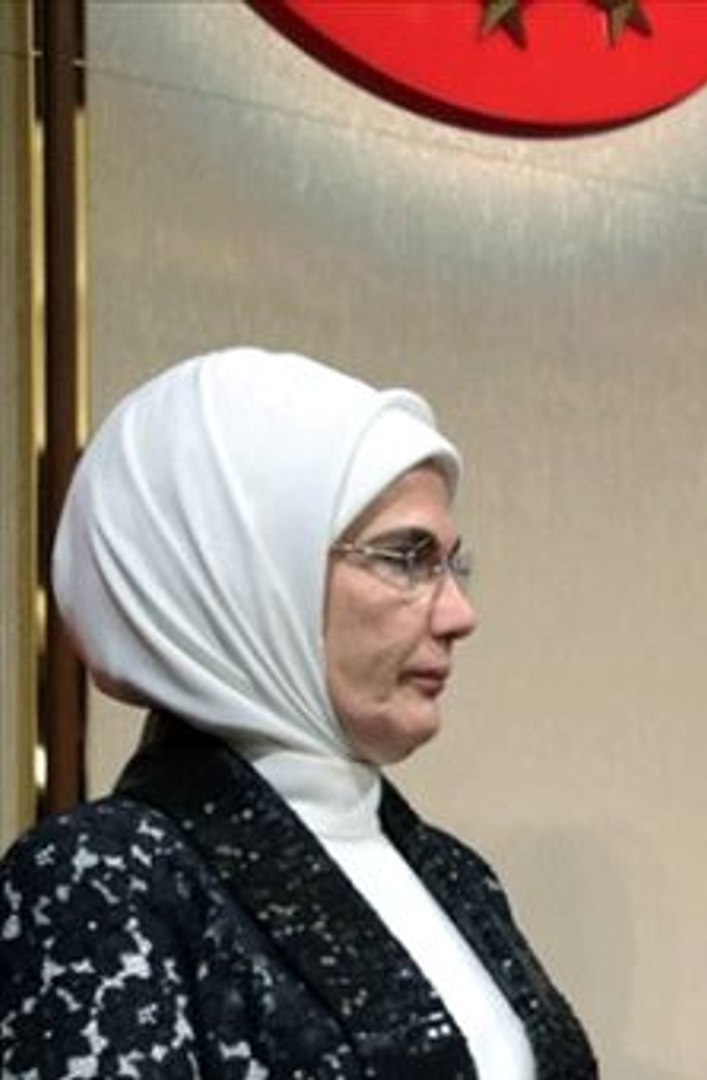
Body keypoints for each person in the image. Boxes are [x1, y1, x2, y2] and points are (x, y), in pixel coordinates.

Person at [0, 347, 598, 1078]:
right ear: (244, 574)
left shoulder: (456, 876)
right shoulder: (103, 876)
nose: (458, 614)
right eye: (406, 557)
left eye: (451, 563)